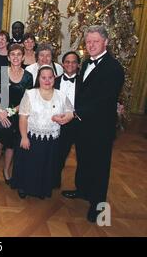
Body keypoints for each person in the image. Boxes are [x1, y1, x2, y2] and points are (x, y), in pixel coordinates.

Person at [62, 25, 125, 223]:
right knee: (84, 160)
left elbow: (103, 101)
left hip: (100, 129)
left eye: (95, 41)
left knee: (99, 167)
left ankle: (98, 206)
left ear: (106, 42)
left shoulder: (113, 68)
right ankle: (82, 190)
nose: (91, 45)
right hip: (83, 126)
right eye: (88, 41)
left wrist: (75, 113)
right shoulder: (87, 62)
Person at [15, 65, 74, 199]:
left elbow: (71, 112)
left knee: (46, 166)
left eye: (50, 77)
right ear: (39, 79)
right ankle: (25, 187)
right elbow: (23, 117)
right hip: (32, 137)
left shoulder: (61, 95)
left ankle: (42, 189)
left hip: (52, 139)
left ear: (54, 78)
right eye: (43, 78)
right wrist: (24, 137)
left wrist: (65, 118)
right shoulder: (30, 94)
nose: (47, 81)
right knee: (30, 165)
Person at [0, 44, 33, 187]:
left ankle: (6, 171)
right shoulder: (1, 72)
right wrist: (0, 112)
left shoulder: (28, 76)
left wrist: (11, 112)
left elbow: (28, 100)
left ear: (23, 57)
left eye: (18, 54)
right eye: (12, 54)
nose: (15, 57)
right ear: (8, 57)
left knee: (11, 146)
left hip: (17, 115)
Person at [54, 51, 80, 188]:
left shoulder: (84, 83)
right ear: (63, 64)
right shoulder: (55, 80)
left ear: (78, 64)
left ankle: (79, 186)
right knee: (54, 153)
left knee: (70, 154)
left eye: (74, 62)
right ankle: (53, 178)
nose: (70, 64)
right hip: (55, 121)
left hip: (75, 123)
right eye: (67, 62)